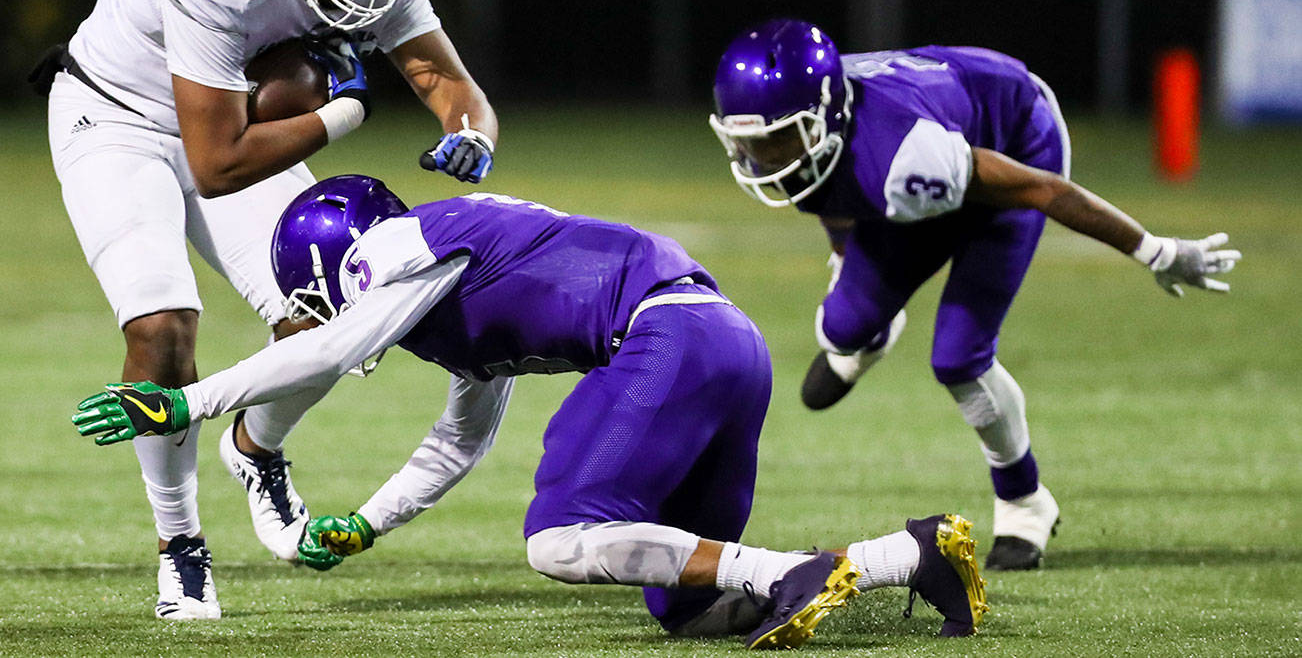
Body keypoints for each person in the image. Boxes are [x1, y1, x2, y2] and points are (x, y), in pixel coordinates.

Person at [73, 176, 990, 647]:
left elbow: (337, 346)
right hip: (722, 341)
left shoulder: (402, 247)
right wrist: (365, 526)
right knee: (689, 610)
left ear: (337, 259)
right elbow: (457, 441)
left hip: (670, 334)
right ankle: (908, 556)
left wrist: (187, 399)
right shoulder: (448, 299)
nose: (310, 311)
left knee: (560, 538)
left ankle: (792, 571)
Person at [36, 0, 498, 620]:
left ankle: (255, 448)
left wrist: (472, 135)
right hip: (116, 113)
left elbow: (443, 77)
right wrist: (347, 111)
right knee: (162, 326)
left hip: (228, 120)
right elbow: (217, 163)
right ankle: (180, 544)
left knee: (337, 304)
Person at [707, 18, 1241, 571]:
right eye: (750, 143)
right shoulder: (823, 131)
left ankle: (1023, 500)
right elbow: (834, 194)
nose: (766, 159)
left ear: (825, 113)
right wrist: (848, 262)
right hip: (923, 163)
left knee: (959, 357)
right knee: (841, 326)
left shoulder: (900, 153)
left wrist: (1155, 250)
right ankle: (873, 333)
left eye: (778, 140)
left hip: (1012, 145)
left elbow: (1041, 189)